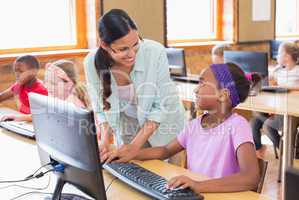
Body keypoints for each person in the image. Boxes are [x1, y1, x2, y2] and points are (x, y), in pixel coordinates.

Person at [107, 63, 259, 193]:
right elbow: (165, 151)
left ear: (223, 95)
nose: (196, 90)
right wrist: (132, 154)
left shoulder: (238, 126)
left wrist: (198, 186)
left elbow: (250, 178)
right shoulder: (194, 125)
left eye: (202, 83)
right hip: (199, 194)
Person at [84, 9, 185, 163]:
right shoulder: (91, 63)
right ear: (104, 45)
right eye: (123, 49)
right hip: (129, 128)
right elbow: (101, 108)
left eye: (135, 44)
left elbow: (160, 107)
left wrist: (134, 147)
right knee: (133, 176)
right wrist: (105, 141)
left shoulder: (155, 52)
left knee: (166, 177)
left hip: (165, 126)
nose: (132, 54)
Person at [251, 41, 299, 158]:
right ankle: (259, 149)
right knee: (254, 121)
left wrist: (289, 88)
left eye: (279, 53)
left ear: (287, 56)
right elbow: (266, 82)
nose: (276, 56)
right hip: (279, 108)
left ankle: (289, 154)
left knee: (268, 126)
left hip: (293, 110)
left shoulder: (298, 71)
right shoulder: (278, 71)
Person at [0, 55, 48, 121]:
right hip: (21, 121)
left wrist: (18, 117)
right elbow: (2, 96)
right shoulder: (19, 85)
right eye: (15, 71)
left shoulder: (41, 90)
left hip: (35, 123)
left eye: (21, 71)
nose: (17, 75)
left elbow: (41, 115)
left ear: (33, 72)